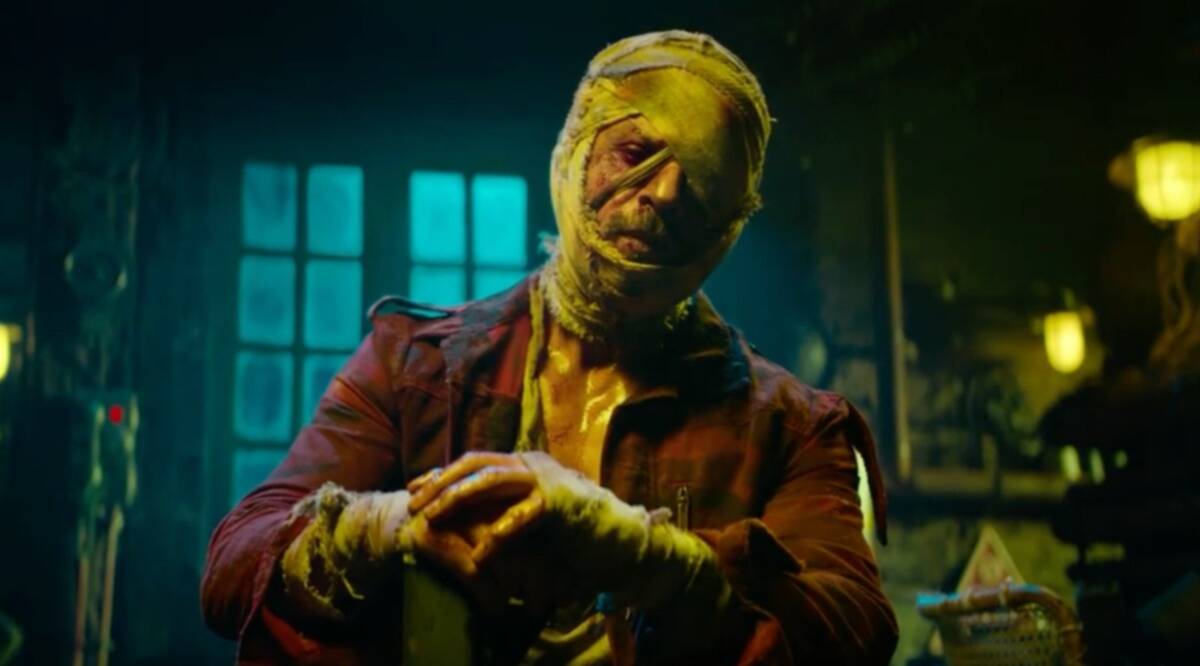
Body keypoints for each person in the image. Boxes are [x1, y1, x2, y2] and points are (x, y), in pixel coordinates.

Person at [201, 30, 898, 664]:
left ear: (729, 222)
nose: (663, 193)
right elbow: (236, 564)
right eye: (636, 154)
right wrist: (386, 527)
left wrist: (660, 562)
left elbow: (856, 630)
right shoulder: (415, 365)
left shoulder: (795, 426)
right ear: (579, 147)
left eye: (702, 183)